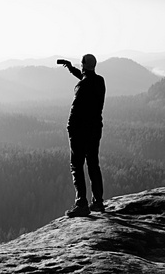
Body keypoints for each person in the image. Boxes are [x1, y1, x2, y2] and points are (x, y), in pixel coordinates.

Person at [61, 54, 106, 217]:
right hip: (95, 130)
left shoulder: (82, 86)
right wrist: (70, 68)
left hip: (80, 131)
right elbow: (86, 76)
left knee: (77, 165)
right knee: (93, 164)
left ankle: (81, 203)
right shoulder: (99, 81)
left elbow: (75, 109)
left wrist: (69, 128)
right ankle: (98, 202)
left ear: (83, 65)